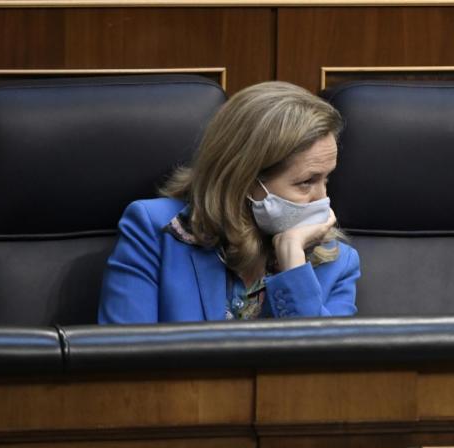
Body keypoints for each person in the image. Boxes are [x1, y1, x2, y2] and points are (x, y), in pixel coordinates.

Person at [98, 81, 359, 323]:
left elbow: (319, 368)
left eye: (326, 179)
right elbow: (122, 361)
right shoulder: (155, 231)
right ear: (244, 179)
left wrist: (292, 261)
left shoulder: (338, 264)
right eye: (306, 182)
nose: (322, 198)